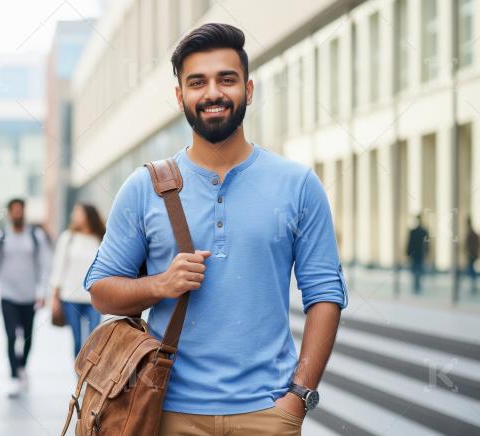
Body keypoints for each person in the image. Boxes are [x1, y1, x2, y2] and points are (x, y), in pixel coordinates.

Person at [85, 24, 347, 434]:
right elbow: (101, 291)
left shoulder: (297, 185)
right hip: (167, 412)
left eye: (227, 79)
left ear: (249, 89)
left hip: (268, 415)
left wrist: (298, 396)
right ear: (180, 97)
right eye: (197, 82)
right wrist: (161, 285)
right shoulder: (143, 188)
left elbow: (326, 295)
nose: (212, 93)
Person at [0, 198, 53, 397]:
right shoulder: (0, 237)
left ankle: (22, 366)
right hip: (7, 295)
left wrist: (42, 292)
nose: (17, 213)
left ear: (24, 212)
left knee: (27, 336)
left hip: (29, 296)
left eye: (20, 210)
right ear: (9, 213)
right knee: (10, 336)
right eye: (13, 210)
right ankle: (14, 376)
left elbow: (45, 265)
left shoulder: (36, 236)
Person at [50, 203, 105, 358]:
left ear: (88, 215)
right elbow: (58, 268)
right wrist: (54, 299)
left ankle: (90, 374)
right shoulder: (68, 238)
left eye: (78, 213)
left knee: (94, 339)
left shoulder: (100, 238)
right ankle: (79, 376)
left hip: (94, 298)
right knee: (78, 339)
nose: (74, 216)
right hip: (70, 298)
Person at [406, 214, 429, 294]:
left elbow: (426, 244)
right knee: (417, 269)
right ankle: (417, 284)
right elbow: (410, 243)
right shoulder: (421, 231)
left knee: (417, 269)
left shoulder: (418, 232)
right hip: (417, 254)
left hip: (417, 254)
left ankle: (417, 284)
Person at [464, 216, 480, 295]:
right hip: (472, 254)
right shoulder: (471, 233)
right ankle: (473, 285)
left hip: (472, 254)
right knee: (471, 270)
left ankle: (473, 285)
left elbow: (471, 245)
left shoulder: (471, 233)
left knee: (471, 270)